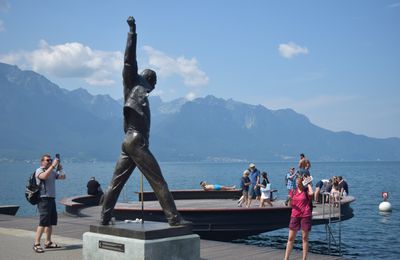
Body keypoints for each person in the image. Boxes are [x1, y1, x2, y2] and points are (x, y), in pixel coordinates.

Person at [101, 17, 184, 226]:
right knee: (158, 181)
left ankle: (104, 216)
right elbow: (129, 59)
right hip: (136, 142)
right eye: (154, 84)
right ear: (150, 80)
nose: (153, 89)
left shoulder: (139, 91)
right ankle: (174, 219)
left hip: (129, 141)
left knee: (116, 182)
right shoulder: (132, 83)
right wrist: (132, 32)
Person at [33, 154, 66, 253]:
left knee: (50, 222)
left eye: (50, 160)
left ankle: (48, 242)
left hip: (51, 199)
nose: (50, 161)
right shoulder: (40, 170)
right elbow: (43, 177)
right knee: (43, 222)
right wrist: (52, 166)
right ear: (42, 162)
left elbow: (63, 177)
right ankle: (36, 244)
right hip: (43, 199)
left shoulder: (52, 172)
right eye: (47, 160)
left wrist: (60, 168)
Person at [284, 175, 314, 260]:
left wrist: (308, 183)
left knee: (304, 238)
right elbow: (290, 205)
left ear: (302, 183)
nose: (297, 185)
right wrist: (289, 200)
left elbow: (312, 194)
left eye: (299, 183)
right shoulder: (293, 191)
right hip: (295, 215)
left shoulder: (306, 190)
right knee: (290, 238)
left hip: (305, 215)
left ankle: (304, 258)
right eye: (296, 183)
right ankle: (286, 258)